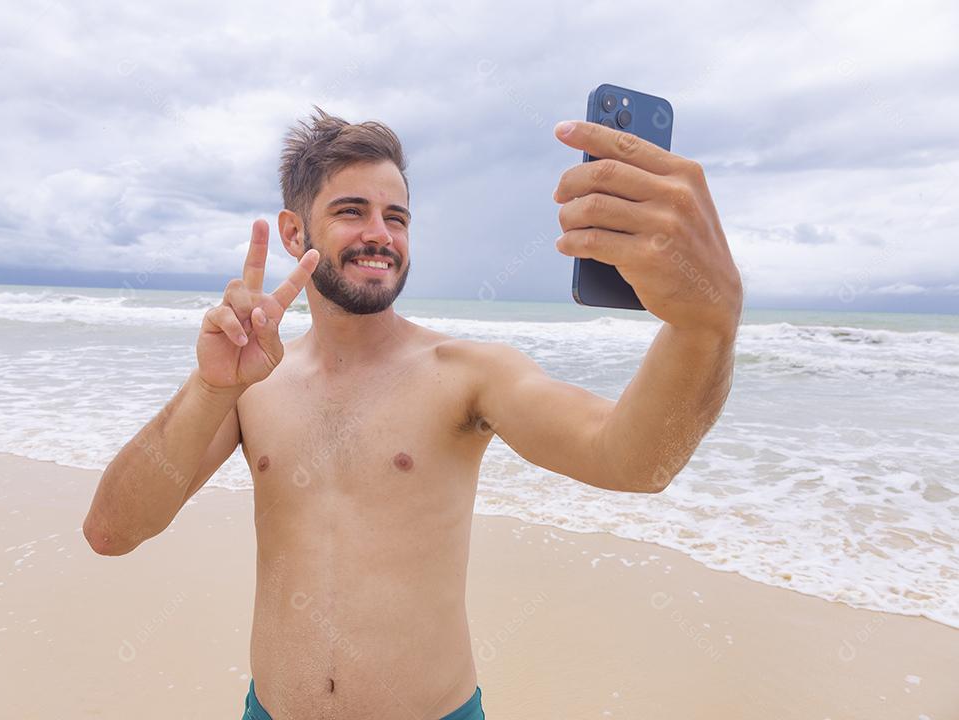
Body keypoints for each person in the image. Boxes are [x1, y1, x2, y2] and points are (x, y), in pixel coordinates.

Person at [82, 105, 743, 719]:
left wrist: (704, 327)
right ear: (293, 231)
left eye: (396, 217)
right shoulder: (251, 384)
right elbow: (112, 531)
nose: (379, 235)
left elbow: (632, 459)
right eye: (351, 211)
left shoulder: (466, 373)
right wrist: (210, 385)